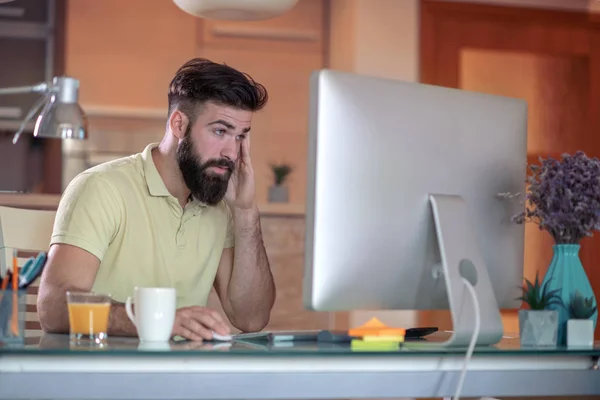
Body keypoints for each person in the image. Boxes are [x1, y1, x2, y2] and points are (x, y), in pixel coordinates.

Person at [37, 58, 276, 341]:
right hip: (101, 373)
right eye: (220, 131)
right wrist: (155, 319)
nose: (231, 153)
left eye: (240, 137)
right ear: (178, 124)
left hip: (179, 376)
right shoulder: (102, 188)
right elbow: (53, 308)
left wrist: (246, 211)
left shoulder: (220, 211)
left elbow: (251, 318)